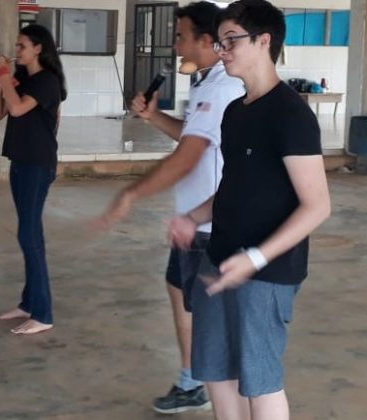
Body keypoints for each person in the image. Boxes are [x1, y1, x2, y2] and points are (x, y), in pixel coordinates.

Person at [167, 1, 331, 419]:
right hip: (220, 259)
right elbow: (234, 187)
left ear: (263, 41)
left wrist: (255, 258)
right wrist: (193, 218)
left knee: (259, 380)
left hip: (267, 272)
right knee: (216, 372)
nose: (222, 50)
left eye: (231, 40)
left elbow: (317, 206)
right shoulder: (235, 112)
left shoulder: (290, 114)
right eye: (219, 42)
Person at [93, 2, 244, 414]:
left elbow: (187, 158)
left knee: (208, 316)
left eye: (181, 37)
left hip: (210, 225)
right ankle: (192, 380)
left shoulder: (223, 88)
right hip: (191, 221)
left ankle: (217, 389)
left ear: (206, 41)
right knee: (180, 294)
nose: (176, 46)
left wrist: (131, 194)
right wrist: (154, 116)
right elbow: (192, 136)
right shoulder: (205, 83)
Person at [0, 24, 67, 335]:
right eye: (17, 45)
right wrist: (1, 80)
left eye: (22, 45)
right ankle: (29, 303)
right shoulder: (21, 79)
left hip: (38, 164)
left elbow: (19, 109)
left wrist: (5, 75)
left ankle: (43, 313)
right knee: (28, 233)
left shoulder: (47, 81)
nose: (17, 50)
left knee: (29, 235)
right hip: (20, 162)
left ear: (38, 48)